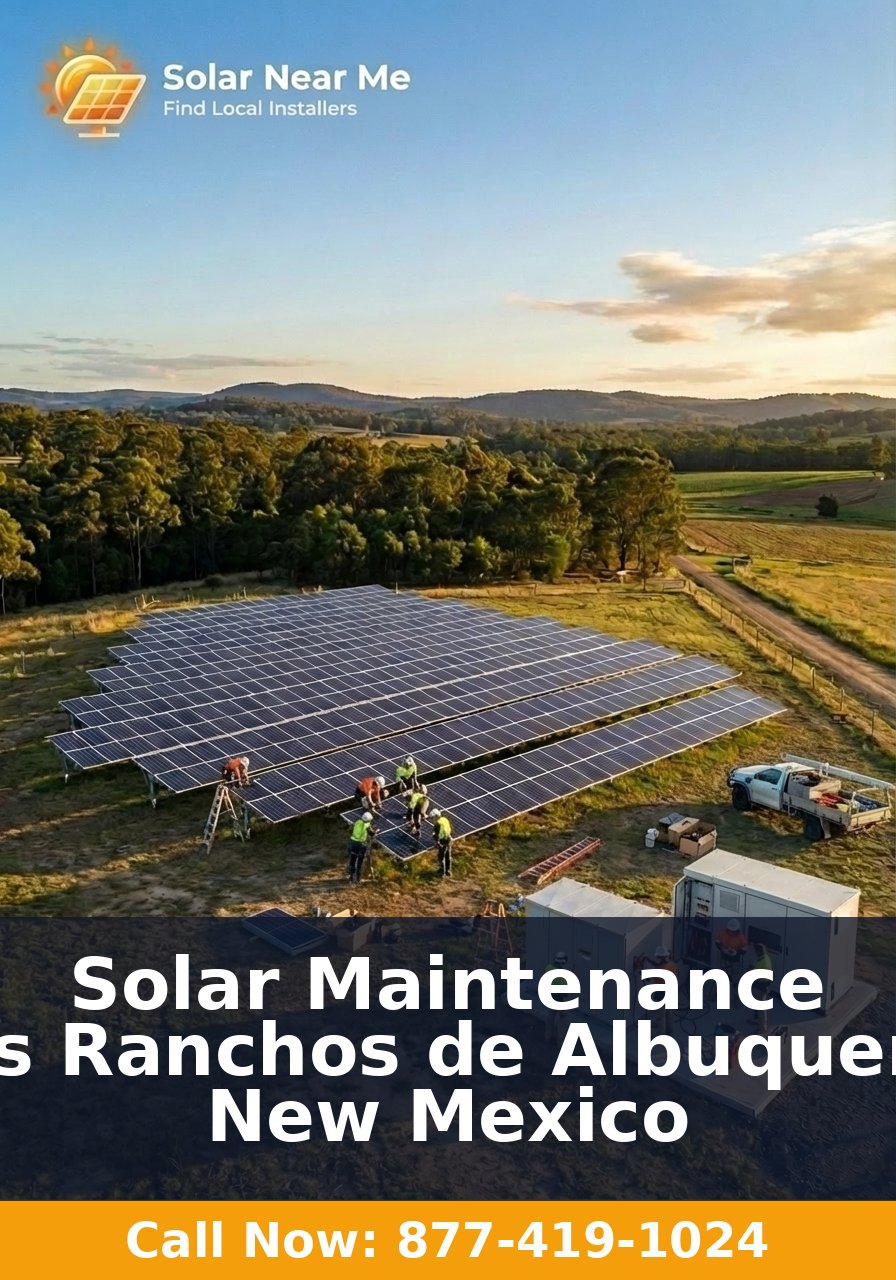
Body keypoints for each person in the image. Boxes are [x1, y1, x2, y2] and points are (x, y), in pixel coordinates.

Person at [347, 812, 374, 884]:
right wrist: (375, 832)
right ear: (368, 820)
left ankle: (351, 877)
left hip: (352, 843)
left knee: (352, 860)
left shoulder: (357, 822)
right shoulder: (367, 825)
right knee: (360, 862)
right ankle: (358, 879)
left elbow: (351, 830)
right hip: (361, 844)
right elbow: (371, 833)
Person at [430, 809, 453, 877]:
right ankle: (448, 871)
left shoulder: (437, 824)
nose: (432, 819)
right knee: (448, 856)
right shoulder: (444, 819)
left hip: (443, 841)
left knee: (441, 856)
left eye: (432, 818)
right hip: (449, 839)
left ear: (436, 816)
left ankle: (442, 872)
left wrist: (437, 843)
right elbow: (449, 828)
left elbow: (436, 835)